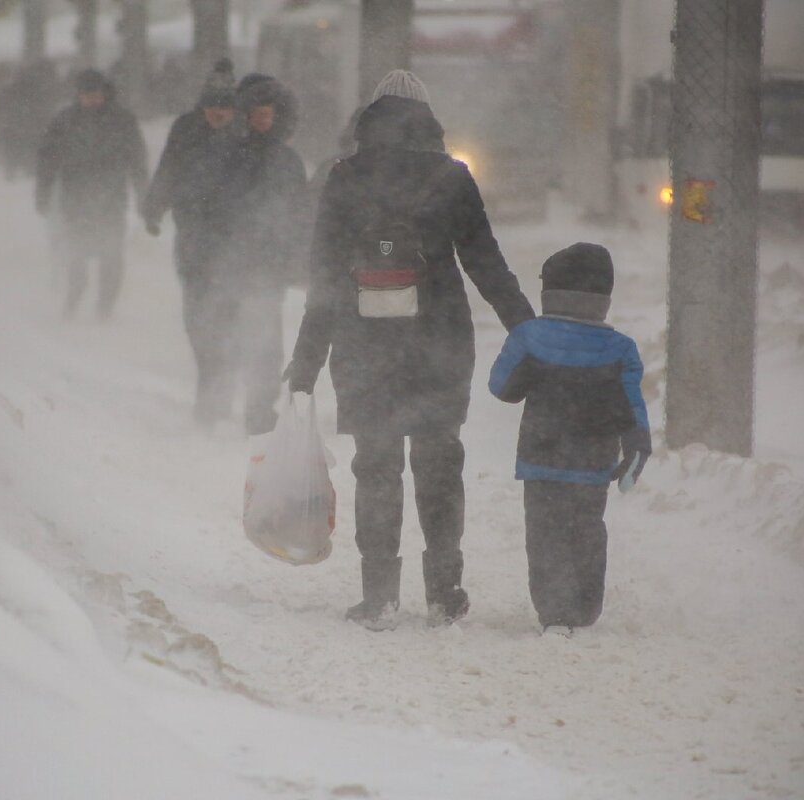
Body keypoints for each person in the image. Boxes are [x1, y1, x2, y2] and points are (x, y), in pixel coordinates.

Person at [286, 70, 535, 631]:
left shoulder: (344, 177)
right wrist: (527, 329)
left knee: (376, 465)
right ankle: (445, 592)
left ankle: (378, 596)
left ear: (368, 120)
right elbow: (486, 263)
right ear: (429, 121)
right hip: (438, 342)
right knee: (439, 460)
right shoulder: (451, 177)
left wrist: (306, 361)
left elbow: (324, 277)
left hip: (361, 339)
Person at [487, 242, 651, 638]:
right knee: (587, 531)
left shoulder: (530, 336)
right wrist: (636, 448)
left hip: (541, 459)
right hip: (591, 465)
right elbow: (632, 410)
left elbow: (502, 388)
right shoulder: (621, 349)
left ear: (549, 291)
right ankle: (585, 606)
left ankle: (555, 613)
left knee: (545, 535)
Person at [199, 74, 307, 434]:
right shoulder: (225, 154)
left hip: (267, 267)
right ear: (244, 115)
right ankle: (217, 402)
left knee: (265, 343)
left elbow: (299, 214)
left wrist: (295, 258)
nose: (263, 120)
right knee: (227, 335)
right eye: (256, 113)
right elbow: (208, 207)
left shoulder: (287, 160)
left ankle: (260, 410)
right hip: (231, 263)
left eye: (268, 114)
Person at [142, 59, 241, 426]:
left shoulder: (246, 135)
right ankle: (210, 371)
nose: (218, 114)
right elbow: (168, 168)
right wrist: (154, 207)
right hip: (193, 236)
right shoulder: (185, 129)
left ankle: (219, 388)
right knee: (197, 315)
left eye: (225, 108)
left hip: (234, 239)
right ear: (202, 107)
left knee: (227, 317)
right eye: (212, 107)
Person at [36, 69, 147, 318]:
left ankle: (105, 307)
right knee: (76, 252)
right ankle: (74, 296)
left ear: (104, 93)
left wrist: (143, 194)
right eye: (86, 95)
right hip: (74, 198)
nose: (92, 99)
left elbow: (137, 160)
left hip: (112, 198)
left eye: (96, 94)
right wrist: (43, 192)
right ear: (78, 95)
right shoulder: (64, 121)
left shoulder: (122, 121)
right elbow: (47, 159)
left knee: (111, 252)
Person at [0, 58, 59, 180]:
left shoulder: (10, 89)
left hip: (13, 128)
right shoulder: (37, 90)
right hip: (30, 129)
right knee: (29, 154)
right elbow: (44, 109)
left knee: (12, 153)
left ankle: (11, 174)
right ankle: (27, 174)